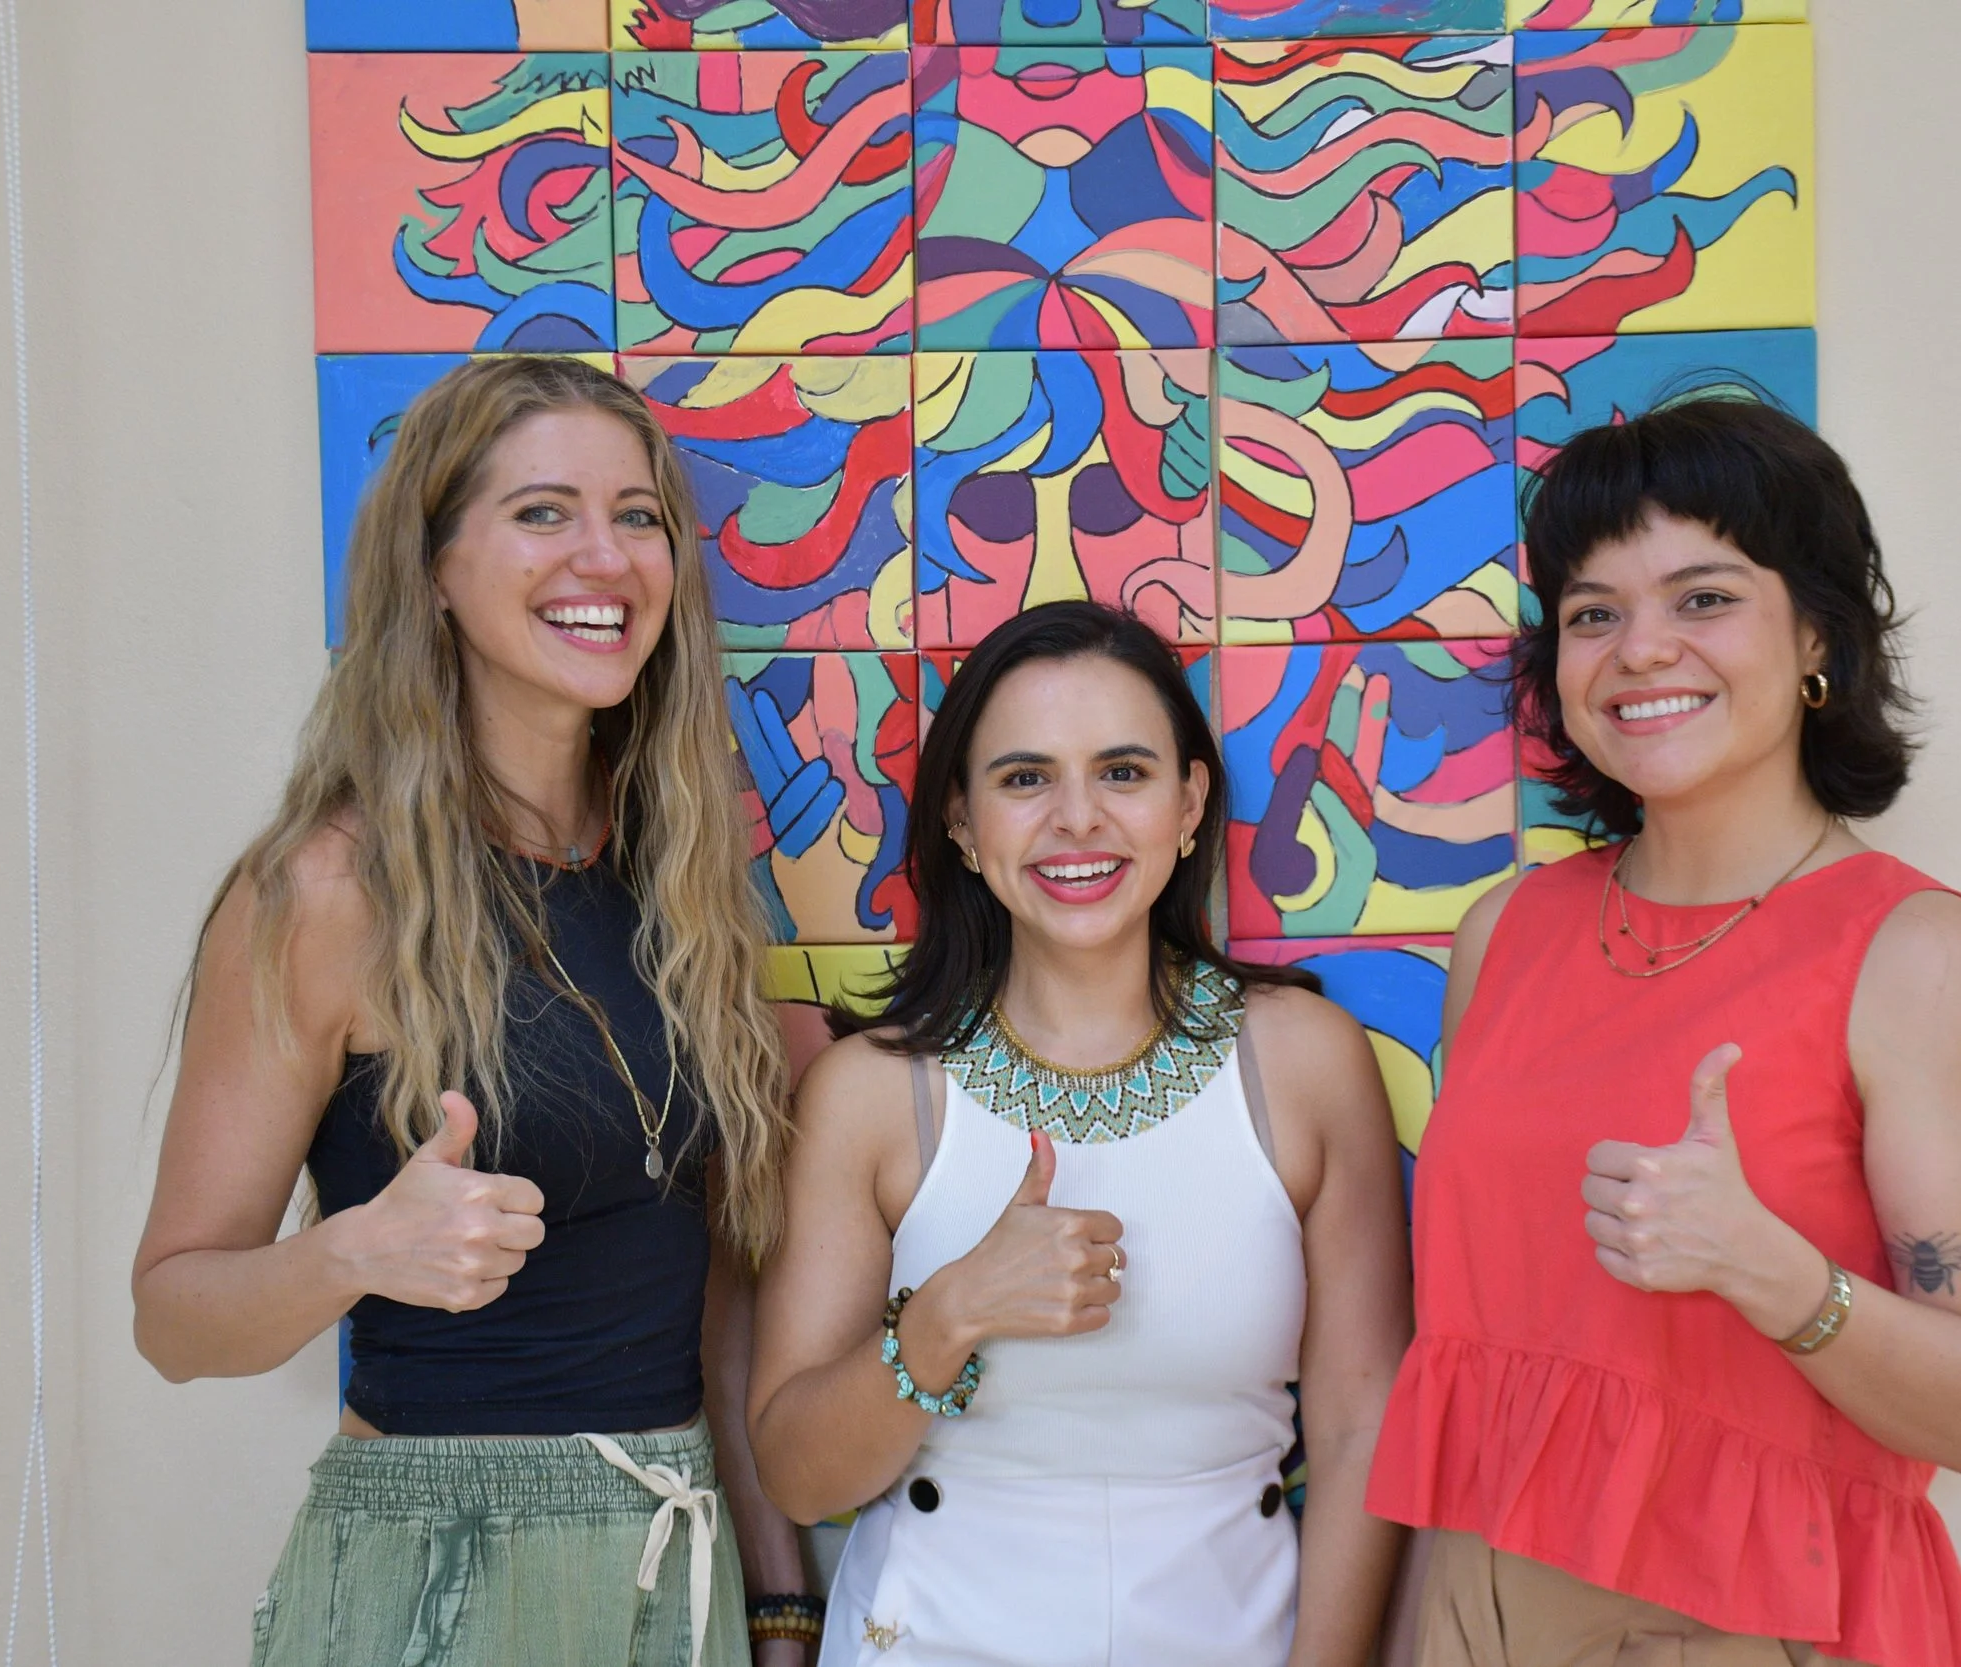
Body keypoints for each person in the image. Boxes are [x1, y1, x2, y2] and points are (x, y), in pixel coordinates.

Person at [132, 356, 820, 1666]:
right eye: (543, 511)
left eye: (637, 515)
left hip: (678, 1560)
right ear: (434, 566)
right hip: (438, 1565)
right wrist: (354, 1250)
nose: (604, 556)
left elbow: (719, 1294)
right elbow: (171, 1317)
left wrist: (778, 1596)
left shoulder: (682, 872)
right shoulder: (329, 890)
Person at [1367, 401, 1961, 1667]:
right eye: (1593, 613)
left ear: (1815, 636)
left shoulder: (1921, 958)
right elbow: (1468, 1362)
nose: (1641, 648)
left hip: (1750, 1623)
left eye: (1703, 598)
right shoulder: (1507, 928)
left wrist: (1769, 1271)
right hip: (1473, 1603)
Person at [748, 601, 1414, 1666]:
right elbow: (795, 1472)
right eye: (1025, 778)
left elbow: (1359, 1423)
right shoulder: (870, 1091)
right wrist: (949, 1313)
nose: (1077, 819)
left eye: (1122, 772)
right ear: (961, 821)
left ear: (1189, 803)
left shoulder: (1303, 1060)